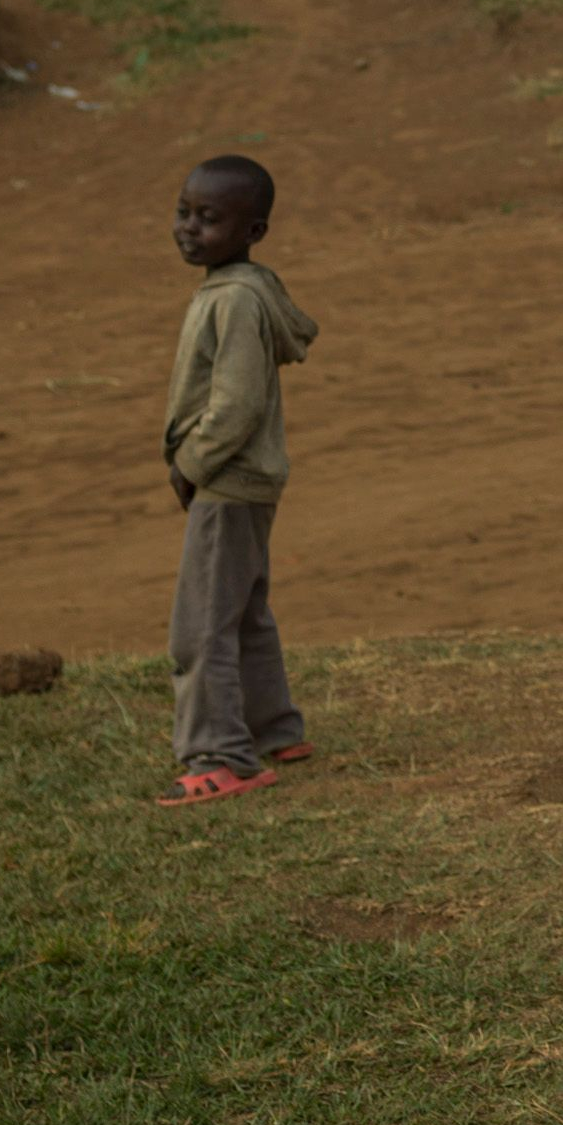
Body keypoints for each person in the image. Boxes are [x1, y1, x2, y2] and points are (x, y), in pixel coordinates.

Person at [159, 153, 318, 807]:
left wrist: (191, 464)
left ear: (253, 231)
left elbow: (238, 403)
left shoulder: (235, 301)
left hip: (227, 482)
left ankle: (220, 756)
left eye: (210, 219)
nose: (191, 229)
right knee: (245, 611)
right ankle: (275, 728)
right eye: (184, 212)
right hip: (248, 482)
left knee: (200, 625)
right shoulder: (244, 287)